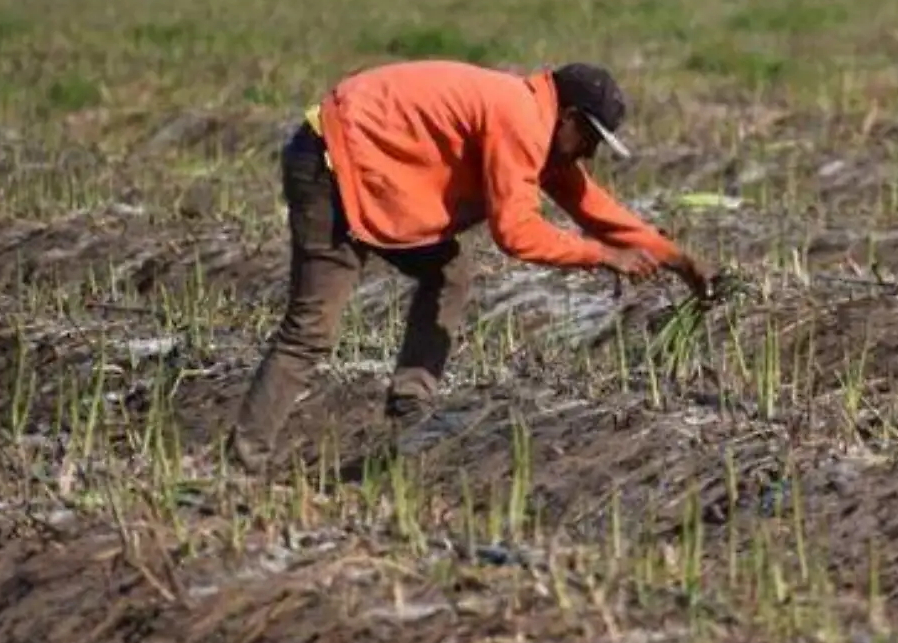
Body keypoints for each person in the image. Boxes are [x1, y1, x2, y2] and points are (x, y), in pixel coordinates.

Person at [227, 60, 711, 473]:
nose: (589, 153)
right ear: (567, 117)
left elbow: (591, 206)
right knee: (311, 329)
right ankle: (244, 460)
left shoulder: (537, 121)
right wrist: (604, 256)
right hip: (330, 168)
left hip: (371, 175)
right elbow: (517, 233)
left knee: (448, 273)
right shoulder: (520, 118)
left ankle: (410, 410)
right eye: (589, 138)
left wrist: (674, 257)